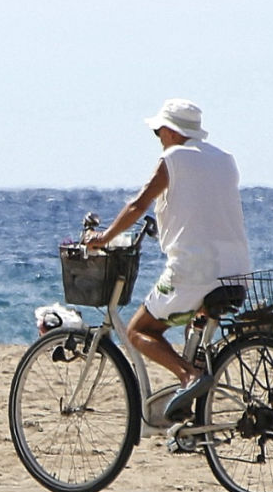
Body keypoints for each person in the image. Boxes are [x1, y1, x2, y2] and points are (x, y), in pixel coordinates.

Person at [85, 99, 251, 419]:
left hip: (195, 269)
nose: (159, 137)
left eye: (159, 130)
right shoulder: (225, 160)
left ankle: (189, 377)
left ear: (173, 132)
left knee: (137, 331)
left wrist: (103, 238)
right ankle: (191, 414)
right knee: (194, 322)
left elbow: (138, 204)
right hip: (236, 269)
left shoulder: (173, 158)